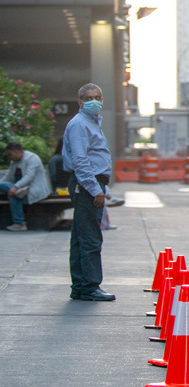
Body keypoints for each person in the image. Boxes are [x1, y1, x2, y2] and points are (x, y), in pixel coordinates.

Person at [63, 83, 115, 301]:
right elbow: (81, 161)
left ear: (102, 100)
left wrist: (103, 186)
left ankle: (81, 286)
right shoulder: (80, 124)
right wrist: (95, 189)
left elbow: (95, 157)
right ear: (80, 102)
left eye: (97, 97)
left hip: (92, 183)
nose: (93, 101)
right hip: (86, 185)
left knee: (81, 236)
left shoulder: (92, 122)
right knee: (90, 238)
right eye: (88, 98)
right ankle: (89, 286)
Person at [1, 142, 52, 231]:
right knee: (13, 193)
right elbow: (8, 177)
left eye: (10, 154)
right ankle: (19, 223)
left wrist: (15, 187)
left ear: (16, 151)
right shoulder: (14, 162)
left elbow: (29, 176)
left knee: (14, 194)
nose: (9, 157)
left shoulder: (32, 158)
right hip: (20, 190)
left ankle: (19, 223)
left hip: (32, 191)